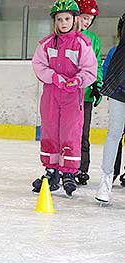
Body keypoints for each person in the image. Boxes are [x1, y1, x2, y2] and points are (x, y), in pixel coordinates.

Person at [31, 0, 97, 197]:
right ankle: (51, 171)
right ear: (55, 22)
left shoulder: (82, 44)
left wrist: (78, 80)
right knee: (50, 130)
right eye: (59, 19)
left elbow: (90, 69)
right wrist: (55, 78)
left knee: (71, 132)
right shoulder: (46, 44)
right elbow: (39, 65)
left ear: (75, 20)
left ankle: (68, 172)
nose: (63, 23)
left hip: (72, 96)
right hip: (51, 93)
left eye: (67, 18)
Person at [96, 12, 125, 203]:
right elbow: (107, 72)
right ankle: (105, 181)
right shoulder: (116, 51)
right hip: (119, 93)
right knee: (114, 133)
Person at [73, 0, 103, 185]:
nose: (87, 23)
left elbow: (97, 64)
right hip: (67, 95)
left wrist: (97, 85)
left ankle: (82, 169)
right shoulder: (66, 36)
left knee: (84, 133)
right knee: (68, 133)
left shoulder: (94, 40)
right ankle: (66, 166)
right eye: (84, 18)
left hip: (85, 96)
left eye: (90, 19)